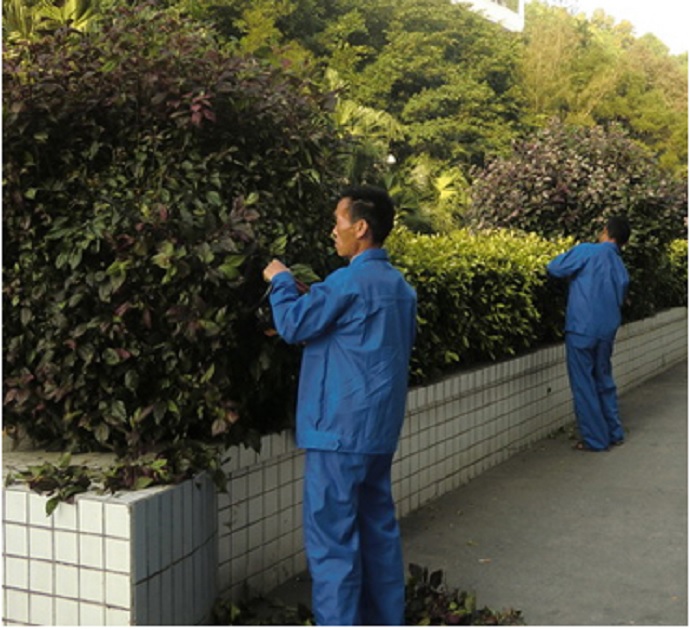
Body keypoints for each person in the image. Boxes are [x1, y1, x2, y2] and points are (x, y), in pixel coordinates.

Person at [262, 185, 417, 625]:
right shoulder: (400, 288)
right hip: (377, 432)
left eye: (339, 222)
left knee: (333, 546)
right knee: (378, 536)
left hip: (336, 433)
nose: (334, 231)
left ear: (361, 228)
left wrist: (280, 281)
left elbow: (293, 325)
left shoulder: (346, 283)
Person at [547, 216, 631, 452]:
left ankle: (595, 440)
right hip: (606, 330)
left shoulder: (587, 251)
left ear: (606, 231)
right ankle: (614, 432)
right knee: (603, 379)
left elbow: (554, 268)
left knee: (584, 384)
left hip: (582, 327)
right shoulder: (620, 266)